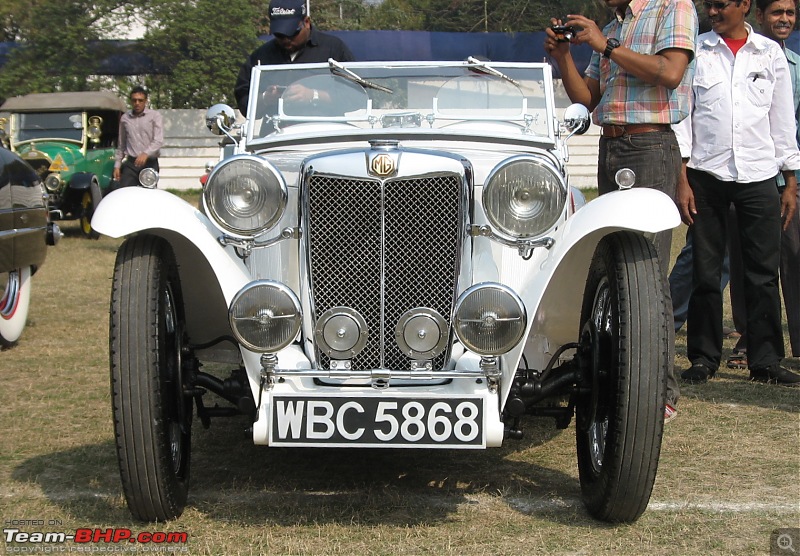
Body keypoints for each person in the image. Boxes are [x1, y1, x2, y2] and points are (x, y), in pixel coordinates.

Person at [544, 0, 699, 422]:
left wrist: (606, 46)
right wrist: (562, 57)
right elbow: (588, 98)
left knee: (645, 272)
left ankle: (659, 393)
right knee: (613, 268)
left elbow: (670, 73)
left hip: (650, 145)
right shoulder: (615, 24)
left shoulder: (674, 8)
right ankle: (625, 379)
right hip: (612, 145)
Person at [674, 0, 800, 387]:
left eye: (722, 5)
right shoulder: (697, 51)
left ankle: (764, 360)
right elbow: (683, 115)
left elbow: (782, 118)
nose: (713, 11)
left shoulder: (769, 53)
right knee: (706, 272)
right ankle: (703, 357)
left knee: (763, 273)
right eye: (709, 5)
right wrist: (682, 178)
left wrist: (790, 179)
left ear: (745, 6)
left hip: (760, 174)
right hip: (706, 173)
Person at [724, 0, 800, 367]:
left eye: (790, 13)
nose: (784, 19)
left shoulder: (796, 65)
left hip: (788, 177)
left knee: (792, 258)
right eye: (777, 13)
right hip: (747, 174)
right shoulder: (730, 58)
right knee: (745, 262)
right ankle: (747, 339)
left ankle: (795, 343)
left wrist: (793, 179)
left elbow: (790, 124)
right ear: (759, 16)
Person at [234, 0, 355, 115]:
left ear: (306, 22)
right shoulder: (261, 56)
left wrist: (313, 95)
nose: (286, 40)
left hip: (325, 130)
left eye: (292, 33)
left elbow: (357, 95)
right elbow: (243, 100)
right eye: (280, 35)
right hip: (277, 132)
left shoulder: (333, 49)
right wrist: (266, 98)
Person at [113, 85, 163, 190]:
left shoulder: (154, 116)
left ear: (145, 101)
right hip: (131, 164)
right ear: (131, 101)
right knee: (125, 192)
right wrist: (117, 165)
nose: (137, 103)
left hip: (150, 163)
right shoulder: (125, 118)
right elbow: (121, 144)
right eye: (134, 100)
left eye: (140, 100)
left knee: (148, 194)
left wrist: (146, 154)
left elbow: (158, 140)